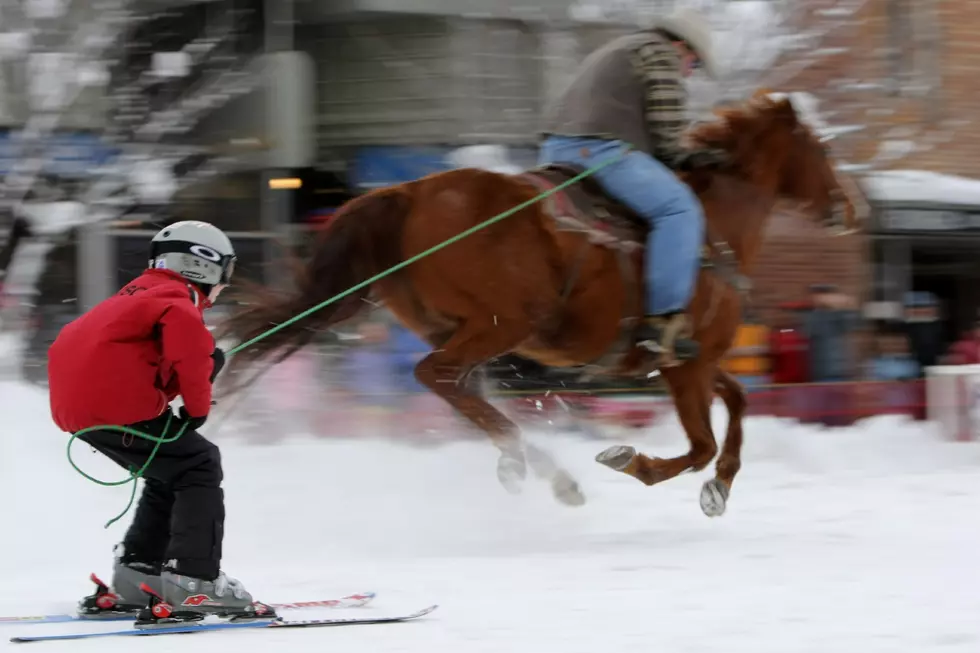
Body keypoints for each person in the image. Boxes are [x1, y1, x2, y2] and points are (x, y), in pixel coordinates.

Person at [46, 220, 266, 624]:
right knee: (200, 463)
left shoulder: (137, 294)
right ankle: (194, 581)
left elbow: (138, 362)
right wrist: (198, 404)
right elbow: (190, 354)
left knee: (170, 470)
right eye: (226, 272)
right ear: (202, 266)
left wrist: (200, 372)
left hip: (82, 411)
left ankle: (138, 573)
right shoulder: (177, 299)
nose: (225, 284)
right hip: (116, 408)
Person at [538, 6, 728, 366]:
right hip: (599, 150)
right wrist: (691, 158)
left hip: (554, 148)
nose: (690, 73)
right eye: (695, 65)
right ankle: (663, 321)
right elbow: (667, 133)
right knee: (679, 209)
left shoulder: (621, 47)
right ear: (683, 48)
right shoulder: (661, 54)